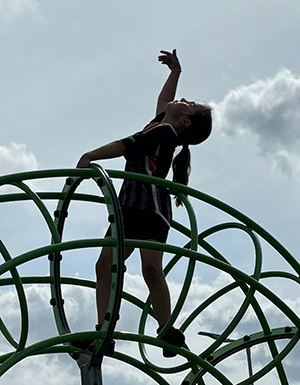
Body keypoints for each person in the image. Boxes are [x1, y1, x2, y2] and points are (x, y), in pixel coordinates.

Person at [76, 49, 212, 357]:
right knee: (115, 265)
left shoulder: (163, 132)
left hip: (147, 207)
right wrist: (174, 73)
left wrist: (90, 156)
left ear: (185, 119)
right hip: (132, 207)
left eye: (187, 103)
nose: (182, 100)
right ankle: (113, 331)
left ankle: (157, 330)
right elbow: (165, 104)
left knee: (143, 266)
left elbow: (126, 145)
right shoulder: (162, 125)